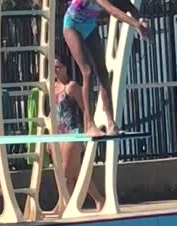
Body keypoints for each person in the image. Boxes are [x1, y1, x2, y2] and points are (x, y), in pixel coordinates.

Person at [63, 0, 150, 137]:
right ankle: (90, 124)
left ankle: (111, 123)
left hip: (89, 27)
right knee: (88, 72)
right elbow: (112, 10)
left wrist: (141, 19)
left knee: (103, 72)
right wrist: (136, 25)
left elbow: (128, 6)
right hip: (72, 27)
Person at [48, 55, 105, 210]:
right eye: (53, 67)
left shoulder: (71, 87)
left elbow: (85, 107)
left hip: (73, 132)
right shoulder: (52, 88)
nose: (55, 70)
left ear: (66, 68)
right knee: (75, 171)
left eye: (58, 67)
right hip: (59, 134)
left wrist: (88, 128)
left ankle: (65, 205)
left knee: (67, 171)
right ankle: (97, 199)